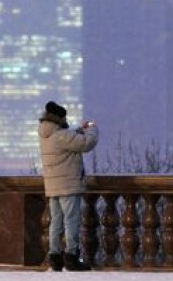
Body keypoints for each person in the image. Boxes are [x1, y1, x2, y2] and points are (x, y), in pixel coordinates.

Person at [37, 101, 99, 272]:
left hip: (52, 185)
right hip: (68, 185)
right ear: (59, 118)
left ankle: (55, 257)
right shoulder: (61, 136)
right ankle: (71, 256)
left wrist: (79, 128)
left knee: (55, 222)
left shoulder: (46, 134)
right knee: (71, 220)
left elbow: (68, 137)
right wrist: (92, 128)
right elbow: (86, 143)